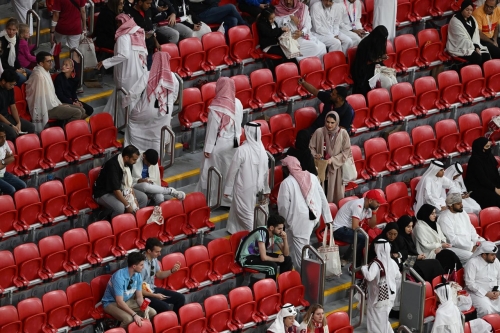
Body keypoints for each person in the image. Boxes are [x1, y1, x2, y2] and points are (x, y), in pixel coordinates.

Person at [195, 77, 243, 208]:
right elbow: (239, 124)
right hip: (234, 143)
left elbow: (212, 130)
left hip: (218, 146)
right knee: (229, 173)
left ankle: (211, 201)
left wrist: (208, 149)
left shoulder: (216, 106)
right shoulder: (238, 103)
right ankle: (227, 201)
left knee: (213, 175)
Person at [277, 155, 332, 269]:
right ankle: (290, 271)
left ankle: (304, 279)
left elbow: (283, 207)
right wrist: (328, 219)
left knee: (301, 254)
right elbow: (323, 198)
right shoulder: (311, 176)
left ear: (288, 169)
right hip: (312, 217)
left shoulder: (286, 183)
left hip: (299, 222)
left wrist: (284, 222)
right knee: (291, 245)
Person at [96, 14, 149, 130]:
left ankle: (128, 126)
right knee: (126, 98)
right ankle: (113, 123)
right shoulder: (138, 33)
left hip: (127, 73)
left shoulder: (123, 37)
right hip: (139, 72)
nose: (117, 25)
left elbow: (123, 55)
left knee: (126, 100)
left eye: (118, 23)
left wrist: (105, 62)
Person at [125, 51, 179, 153]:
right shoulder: (173, 77)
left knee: (132, 121)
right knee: (158, 136)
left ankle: (135, 153)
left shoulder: (148, 75)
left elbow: (134, 93)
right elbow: (175, 96)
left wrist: (124, 102)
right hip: (165, 112)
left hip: (147, 110)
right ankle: (156, 160)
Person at [224, 122, 269, 234]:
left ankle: (252, 235)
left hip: (244, 188)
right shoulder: (262, 150)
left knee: (245, 213)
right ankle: (234, 230)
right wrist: (266, 189)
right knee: (238, 209)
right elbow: (266, 173)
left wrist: (227, 189)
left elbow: (232, 171)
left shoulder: (242, 150)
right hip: (255, 187)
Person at [25, 52, 86, 132]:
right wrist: (60, 106)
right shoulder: (39, 76)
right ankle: (66, 134)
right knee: (77, 112)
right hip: (45, 108)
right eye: (48, 61)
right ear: (41, 63)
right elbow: (40, 99)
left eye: (51, 61)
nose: (51, 63)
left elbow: (50, 96)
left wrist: (60, 104)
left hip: (52, 104)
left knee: (82, 110)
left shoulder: (45, 72)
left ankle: (68, 130)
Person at [101, 252, 157, 329]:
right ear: (134, 266)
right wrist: (134, 314)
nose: (143, 267)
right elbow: (119, 302)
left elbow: (139, 297)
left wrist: (144, 307)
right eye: (141, 265)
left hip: (127, 301)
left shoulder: (138, 275)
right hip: (111, 303)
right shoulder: (119, 278)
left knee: (152, 312)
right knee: (128, 319)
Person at [332, 189, 385, 267]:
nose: (379, 204)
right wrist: (364, 234)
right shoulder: (358, 205)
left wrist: (374, 213)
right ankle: (356, 266)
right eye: (377, 202)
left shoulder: (369, 207)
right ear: (370, 200)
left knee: (362, 236)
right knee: (362, 238)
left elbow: (372, 226)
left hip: (348, 229)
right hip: (338, 229)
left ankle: (345, 258)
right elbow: (355, 227)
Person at [93, 145, 148, 218]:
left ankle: (133, 221)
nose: (135, 162)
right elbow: (116, 190)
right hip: (103, 192)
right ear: (126, 157)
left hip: (121, 189)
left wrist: (134, 199)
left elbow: (129, 183)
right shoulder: (112, 165)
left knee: (143, 198)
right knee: (120, 207)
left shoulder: (129, 163)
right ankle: (113, 224)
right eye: (134, 159)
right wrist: (128, 205)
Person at [309, 111, 352, 204]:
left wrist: (332, 160)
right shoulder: (319, 131)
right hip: (321, 167)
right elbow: (311, 147)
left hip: (336, 168)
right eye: (327, 122)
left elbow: (346, 151)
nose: (329, 125)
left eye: (332, 123)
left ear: (337, 123)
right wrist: (315, 155)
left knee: (335, 192)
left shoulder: (343, 133)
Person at [235, 214, 293, 280]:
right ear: (271, 228)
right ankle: (270, 289)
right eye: (279, 229)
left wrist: (285, 239)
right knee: (271, 268)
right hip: (246, 258)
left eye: (282, 228)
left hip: (257, 255)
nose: (282, 231)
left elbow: (286, 254)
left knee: (287, 259)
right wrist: (278, 259)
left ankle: (283, 284)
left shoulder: (276, 234)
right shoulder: (262, 233)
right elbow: (264, 258)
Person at [361, 238, 401, 333]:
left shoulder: (376, 264)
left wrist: (364, 268)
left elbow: (369, 277)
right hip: (390, 295)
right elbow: (398, 276)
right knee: (383, 319)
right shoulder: (392, 262)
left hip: (378, 297)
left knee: (376, 320)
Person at [413, 204, 463, 273]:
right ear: (426, 214)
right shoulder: (419, 227)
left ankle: (457, 274)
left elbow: (442, 236)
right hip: (427, 254)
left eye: (435, 213)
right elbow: (425, 245)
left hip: (439, 249)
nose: (435, 215)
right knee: (447, 257)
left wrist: (443, 243)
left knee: (451, 255)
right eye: (432, 213)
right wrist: (440, 245)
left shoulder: (435, 224)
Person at [140, 238, 185, 314]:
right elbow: (139, 290)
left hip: (153, 288)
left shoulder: (154, 259)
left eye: (160, 251)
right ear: (149, 251)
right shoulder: (140, 265)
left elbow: (159, 274)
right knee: (165, 307)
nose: (159, 254)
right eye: (157, 252)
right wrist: (155, 295)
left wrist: (171, 271)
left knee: (180, 298)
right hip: (144, 294)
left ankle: (176, 321)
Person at [438, 192, 484, 265]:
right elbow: (452, 240)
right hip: (454, 247)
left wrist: (476, 241)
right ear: (450, 206)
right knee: (472, 257)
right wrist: (470, 246)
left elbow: (470, 227)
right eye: (458, 204)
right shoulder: (444, 218)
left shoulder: (463, 213)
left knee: (488, 246)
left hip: (470, 243)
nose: (461, 205)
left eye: (461, 203)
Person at [395, 215, 445, 282]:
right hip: (407, 266)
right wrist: (416, 257)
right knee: (434, 264)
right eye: (408, 227)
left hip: (413, 262)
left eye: (412, 226)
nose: (411, 229)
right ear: (402, 226)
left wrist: (418, 257)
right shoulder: (399, 239)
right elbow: (403, 260)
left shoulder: (407, 237)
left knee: (435, 262)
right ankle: (441, 284)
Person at [447, 0, 490, 66]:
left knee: (486, 56)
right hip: (460, 47)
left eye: (471, 10)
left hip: (472, 45)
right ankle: (468, 73)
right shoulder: (455, 21)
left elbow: (475, 35)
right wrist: (475, 47)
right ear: (462, 8)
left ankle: (482, 74)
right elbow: (461, 39)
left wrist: (476, 46)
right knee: (477, 58)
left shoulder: (472, 19)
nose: (469, 12)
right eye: (467, 10)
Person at [464, 241, 500, 317]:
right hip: (477, 294)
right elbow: (469, 284)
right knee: (486, 309)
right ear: (484, 255)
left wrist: (498, 291)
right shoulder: (472, 263)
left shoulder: (495, 261)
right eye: (492, 255)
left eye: (495, 254)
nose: (495, 257)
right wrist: (486, 293)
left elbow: (499, 278)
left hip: (494, 293)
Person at [351, 25, 388, 97]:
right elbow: (366, 62)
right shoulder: (364, 44)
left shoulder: (379, 43)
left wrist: (382, 57)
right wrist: (379, 59)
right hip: (364, 68)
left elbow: (378, 56)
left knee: (389, 75)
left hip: (376, 65)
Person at [464, 137, 500, 209]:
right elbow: (482, 178)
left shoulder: (489, 156)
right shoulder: (475, 160)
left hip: (490, 184)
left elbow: (495, 173)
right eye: (486, 147)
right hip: (478, 187)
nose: (489, 149)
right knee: (495, 198)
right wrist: (495, 189)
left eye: (489, 146)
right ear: (480, 148)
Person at [0, 69, 34, 141]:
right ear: (3, 81)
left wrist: (18, 122)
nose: (13, 87)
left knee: (30, 127)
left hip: (7, 116)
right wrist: (11, 125)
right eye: (11, 84)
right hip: (1, 119)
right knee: (12, 133)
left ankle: (25, 148)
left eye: (14, 84)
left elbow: (13, 107)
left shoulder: (10, 89)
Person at [0, 19, 31, 85]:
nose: (11, 32)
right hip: (4, 68)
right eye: (9, 29)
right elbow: (2, 62)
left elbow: (16, 57)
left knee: (31, 74)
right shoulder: (2, 41)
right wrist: (15, 70)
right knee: (23, 78)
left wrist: (19, 68)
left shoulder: (16, 38)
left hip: (13, 66)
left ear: (17, 30)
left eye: (13, 30)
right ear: (6, 28)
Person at [0, 125, 26, 195]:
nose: (3, 139)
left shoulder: (4, 142)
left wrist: (3, 161)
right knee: (11, 190)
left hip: (3, 173)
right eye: (0, 137)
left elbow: (12, 158)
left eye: (4, 136)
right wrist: (6, 159)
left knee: (23, 185)